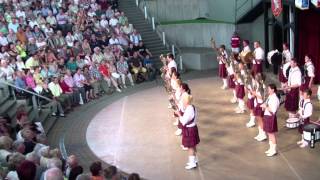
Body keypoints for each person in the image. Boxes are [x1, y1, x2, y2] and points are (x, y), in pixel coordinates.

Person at [177, 93, 200, 170]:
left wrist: (179, 115)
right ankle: (194, 160)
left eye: (182, 100)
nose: (181, 101)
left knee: (190, 147)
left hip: (189, 130)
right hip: (193, 128)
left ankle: (192, 163)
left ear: (185, 101)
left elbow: (183, 121)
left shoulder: (189, 109)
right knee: (193, 146)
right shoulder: (192, 107)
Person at [261, 84, 280, 157]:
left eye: (269, 89)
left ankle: (274, 150)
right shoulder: (270, 96)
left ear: (273, 90)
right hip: (267, 116)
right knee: (269, 134)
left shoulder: (275, 99)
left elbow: (273, 110)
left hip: (271, 117)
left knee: (271, 134)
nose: (267, 90)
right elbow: (267, 104)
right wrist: (264, 105)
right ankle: (271, 148)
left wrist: (265, 106)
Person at [252, 74, 267, 141]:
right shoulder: (257, 85)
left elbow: (263, 97)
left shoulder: (262, 86)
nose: (255, 79)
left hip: (261, 104)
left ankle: (263, 134)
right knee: (258, 119)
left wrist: (255, 94)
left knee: (261, 120)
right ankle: (260, 133)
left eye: (256, 78)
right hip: (257, 103)